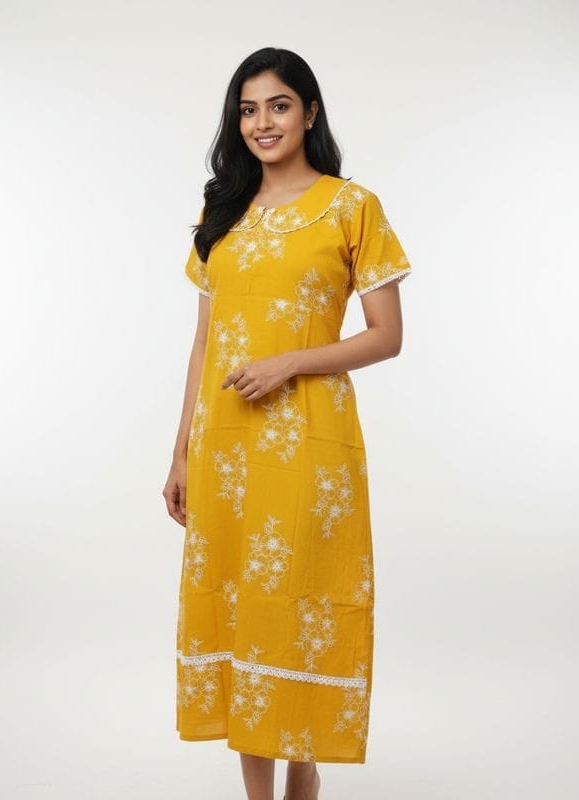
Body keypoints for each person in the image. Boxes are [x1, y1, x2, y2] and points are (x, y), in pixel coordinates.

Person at [163, 46, 412, 800]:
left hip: (308, 444)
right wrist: (180, 454)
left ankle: (304, 775)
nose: (262, 123)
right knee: (241, 608)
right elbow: (205, 343)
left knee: (295, 603)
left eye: (278, 105)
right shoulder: (221, 213)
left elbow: (386, 336)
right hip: (226, 449)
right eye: (248, 109)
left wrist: (288, 363)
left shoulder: (351, 206)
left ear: (309, 112)